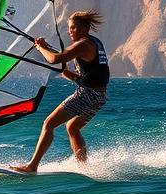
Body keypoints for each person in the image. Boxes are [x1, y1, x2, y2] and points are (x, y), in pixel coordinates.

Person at [10, 10, 110, 173]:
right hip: (99, 96)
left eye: (74, 28)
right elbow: (75, 70)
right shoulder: (94, 42)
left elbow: (55, 59)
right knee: (72, 127)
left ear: (84, 28)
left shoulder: (83, 45)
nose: (71, 32)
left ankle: (32, 166)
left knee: (49, 123)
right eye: (69, 28)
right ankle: (83, 166)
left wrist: (41, 48)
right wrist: (48, 49)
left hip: (88, 95)